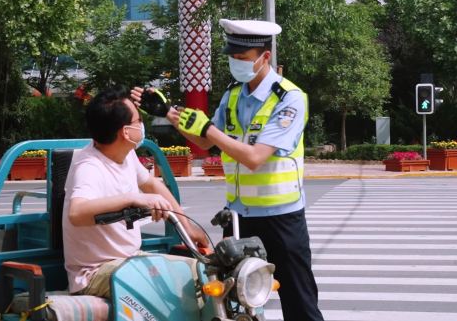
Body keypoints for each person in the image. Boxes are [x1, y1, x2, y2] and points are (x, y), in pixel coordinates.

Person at [133, 19, 324, 321]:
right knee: (231, 301)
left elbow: (254, 157)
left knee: (299, 303)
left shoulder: (289, 99)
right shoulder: (232, 95)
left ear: (265, 57)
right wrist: (167, 112)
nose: (236, 63)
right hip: (238, 218)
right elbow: (203, 141)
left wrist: (209, 129)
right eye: (233, 57)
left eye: (243, 58)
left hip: (281, 220)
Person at [62, 85, 209, 298]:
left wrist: (188, 229)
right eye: (138, 120)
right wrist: (133, 198)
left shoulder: (125, 154)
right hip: (95, 272)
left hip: (129, 260)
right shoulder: (89, 167)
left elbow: (153, 185)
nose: (142, 124)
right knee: (165, 283)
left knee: (202, 273)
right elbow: (76, 213)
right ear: (125, 132)